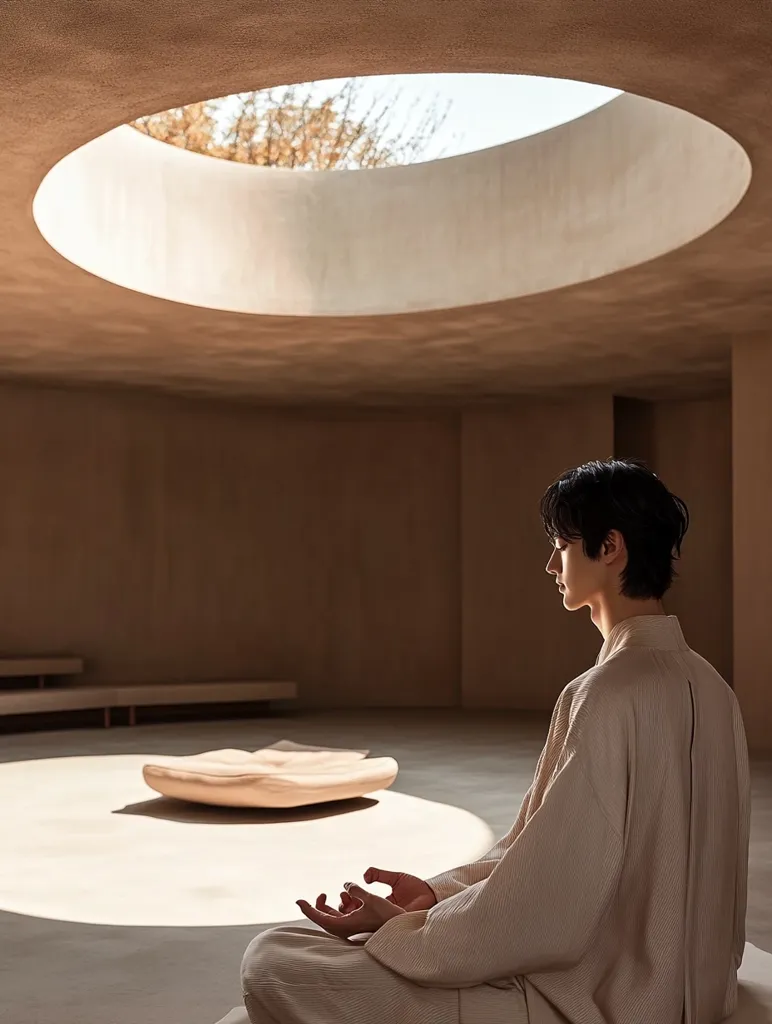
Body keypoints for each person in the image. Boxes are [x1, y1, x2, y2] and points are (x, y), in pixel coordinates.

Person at [239, 458, 750, 1024]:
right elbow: (541, 852)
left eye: (561, 545)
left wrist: (407, 931)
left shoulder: (606, 692)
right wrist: (436, 895)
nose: (551, 564)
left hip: (611, 1002)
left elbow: (547, 903)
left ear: (609, 547)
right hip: (700, 990)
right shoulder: (714, 688)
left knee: (275, 959)